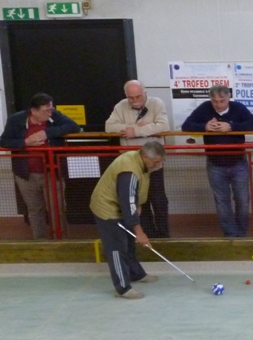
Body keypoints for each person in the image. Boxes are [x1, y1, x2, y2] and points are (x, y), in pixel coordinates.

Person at [89, 141, 165, 299]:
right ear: (145, 157)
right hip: (107, 209)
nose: (159, 164)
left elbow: (135, 194)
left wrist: (138, 205)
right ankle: (122, 288)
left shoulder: (141, 162)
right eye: (156, 161)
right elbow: (127, 202)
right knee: (117, 248)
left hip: (122, 206)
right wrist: (140, 232)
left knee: (129, 242)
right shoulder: (129, 171)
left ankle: (135, 274)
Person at [181, 85, 253, 237]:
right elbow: (186, 126)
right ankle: (230, 234)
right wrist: (205, 127)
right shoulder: (204, 108)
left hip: (238, 162)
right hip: (215, 164)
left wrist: (231, 127)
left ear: (228, 98)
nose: (218, 104)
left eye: (222, 101)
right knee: (222, 202)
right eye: (214, 101)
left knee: (243, 200)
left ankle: (241, 234)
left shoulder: (238, 108)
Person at [0, 93, 82, 239]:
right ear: (34, 111)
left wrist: (47, 133)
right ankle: (40, 240)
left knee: (57, 208)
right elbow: (4, 141)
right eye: (46, 110)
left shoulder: (55, 115)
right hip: (25, 174)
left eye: (51, 109)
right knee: (34, 209)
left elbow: (74, 126)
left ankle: (61, 240)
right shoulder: (15, 120)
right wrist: (25, 142)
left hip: (52, 171)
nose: (50, 113)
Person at [105, 80, 171, 238]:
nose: (135, 100)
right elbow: (109, 127)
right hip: (132, 166)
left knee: (159, 200)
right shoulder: (120, 106)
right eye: (131, 97)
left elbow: (164, 126)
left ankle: (164, 235)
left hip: (153, 164)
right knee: (141, 201)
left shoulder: (156, 103)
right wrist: (143, 128)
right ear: (126, 96)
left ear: (145, 93)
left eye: (138, 96)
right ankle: (149, 234)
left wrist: (135, 132)